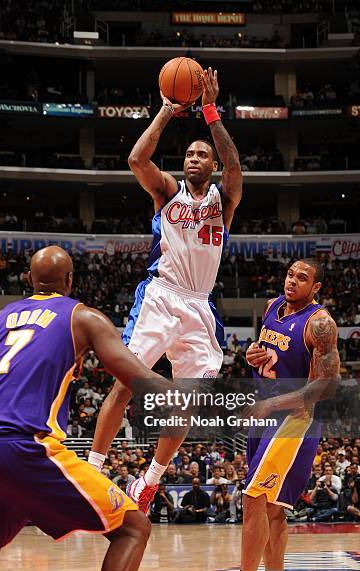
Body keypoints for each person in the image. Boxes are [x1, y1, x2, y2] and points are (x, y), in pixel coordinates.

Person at [0, 246, 177, 571]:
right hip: (27, 447)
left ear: (28, 280)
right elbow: (137, 377)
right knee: (133, 527)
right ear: (70, 281)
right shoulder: (82, 317)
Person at [90, 66, 242, 512]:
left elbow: (234, 164)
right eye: (189, 153)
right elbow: (137, 160)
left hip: (199, 307)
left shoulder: (224, 201)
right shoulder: (168, 193)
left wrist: (211, 113)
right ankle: (93, 469)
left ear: (212, 165)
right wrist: (165, 112)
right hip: (162, 295)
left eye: (202, 154)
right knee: (124, 381)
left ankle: (150, 481)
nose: (194, 158)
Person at [224, 259, 340, 571]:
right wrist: (252, 356)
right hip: (266, 417)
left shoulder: (320, 323)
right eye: (291, 274)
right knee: (273, 510)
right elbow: (265, 355)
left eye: (302, 278)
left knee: (253, 499)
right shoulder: (273, 305)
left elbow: (327, 384)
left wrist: (273, 404)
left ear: (316, 287)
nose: (293, 281)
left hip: (292, 421)